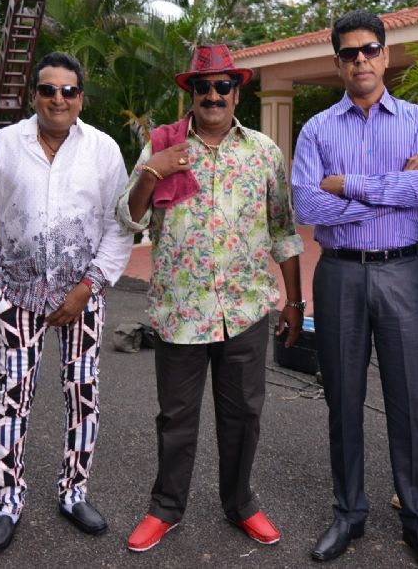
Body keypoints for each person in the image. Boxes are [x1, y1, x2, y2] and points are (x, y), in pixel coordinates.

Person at [118, 44, 304, 552]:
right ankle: (165, 507)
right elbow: (129, 218)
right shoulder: (164, 146)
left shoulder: (263, 152)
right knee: (176, 417)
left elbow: (283, 231)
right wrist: (153, 171)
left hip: (244, 309)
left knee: (243, 415)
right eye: (204, 87)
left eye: (224, 86)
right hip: (181, 310)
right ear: (192, 93)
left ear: (237, 92)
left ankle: (240, 503)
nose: (214, 95)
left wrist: (294, 303)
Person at [290, 10, 418, 568]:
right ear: (338, 62)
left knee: (412, 400)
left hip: (402, 272)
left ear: (386, 55)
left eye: (369, 49)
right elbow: (308, 205)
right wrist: (394, 189)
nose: (360, 59)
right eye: (349, 52)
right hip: (338, 272)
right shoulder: (317, 129)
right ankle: (348, 513)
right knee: (342, 398)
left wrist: (349, 186)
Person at [0, 52, 133, 553]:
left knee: (82, 394)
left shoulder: (103, 149)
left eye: (68, 90)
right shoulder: (4, 146)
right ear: (34, 95)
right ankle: (8, 499)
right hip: (18, 297)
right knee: (12, 397)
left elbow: (119, 223)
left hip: (82, 295)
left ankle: (73, 492)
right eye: (48, 89)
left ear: (81, 97)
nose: (58, 99)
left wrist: (89, 287)